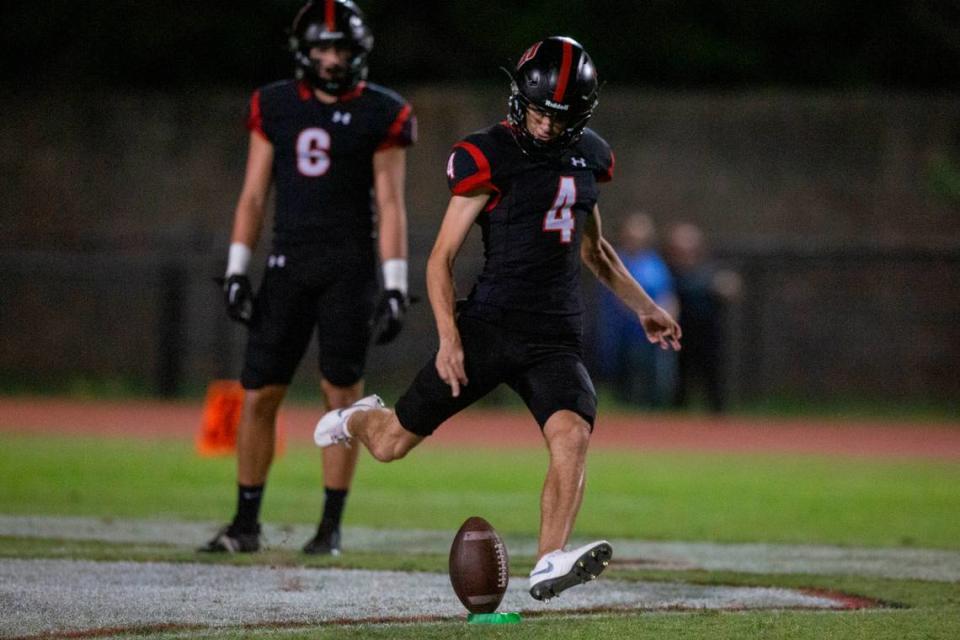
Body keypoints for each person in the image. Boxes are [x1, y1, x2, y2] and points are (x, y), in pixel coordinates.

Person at [312, 37, 681, 600]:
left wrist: (646, 309)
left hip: (554, 335)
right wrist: (448, 339)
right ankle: (359, 416)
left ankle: (550, 558)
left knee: (572, 433)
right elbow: (440, 258)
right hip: (488, 326)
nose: (545, 126)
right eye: (537, 111)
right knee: (389, 446)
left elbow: (596, 251)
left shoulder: (588, 159)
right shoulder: (488, 154)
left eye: (559, 117)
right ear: (519, 98)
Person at [201, 0, 416, 555]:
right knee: (258, 394)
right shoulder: (273, 105)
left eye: (340, 47)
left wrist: (394, 282)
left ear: (358, 52)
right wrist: (235, 267)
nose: (330, 57)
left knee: (342, 400)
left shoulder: (382, 111)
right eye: (321, 46)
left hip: (349, 269)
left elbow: (391, 204)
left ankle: (330, 527)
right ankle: (246, 523)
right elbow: (253, 193)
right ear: (304, 50)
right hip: (286, 266)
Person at [597, 212, 678, 407]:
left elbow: (668, 293)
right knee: (630, 376)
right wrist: (643, 316)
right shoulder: (618, 261)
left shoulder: (655, 263)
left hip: (654, 332)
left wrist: (668, 319)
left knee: (657, 377)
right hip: (626, 332)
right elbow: (618, 297)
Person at [664, 223, 741, 414]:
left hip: (708, 334)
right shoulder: (669, 272)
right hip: (680, 335)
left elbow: (731, 288)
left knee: (712, 379)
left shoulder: (711, 269)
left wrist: (725, 287)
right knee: (680, 381)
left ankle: (717, 418)